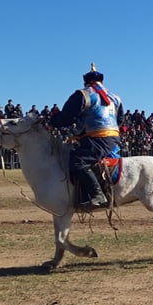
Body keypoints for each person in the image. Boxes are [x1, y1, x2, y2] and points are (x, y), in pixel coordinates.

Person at [51, 62, 124, 211]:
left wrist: (53, 120)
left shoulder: (83, 94)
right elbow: (120, 120)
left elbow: (67, 117)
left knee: (78, 161)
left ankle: (97, 194)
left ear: (85, 81)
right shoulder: (115, 97)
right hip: (113, 138)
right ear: (101, 81)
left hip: (96, 139)